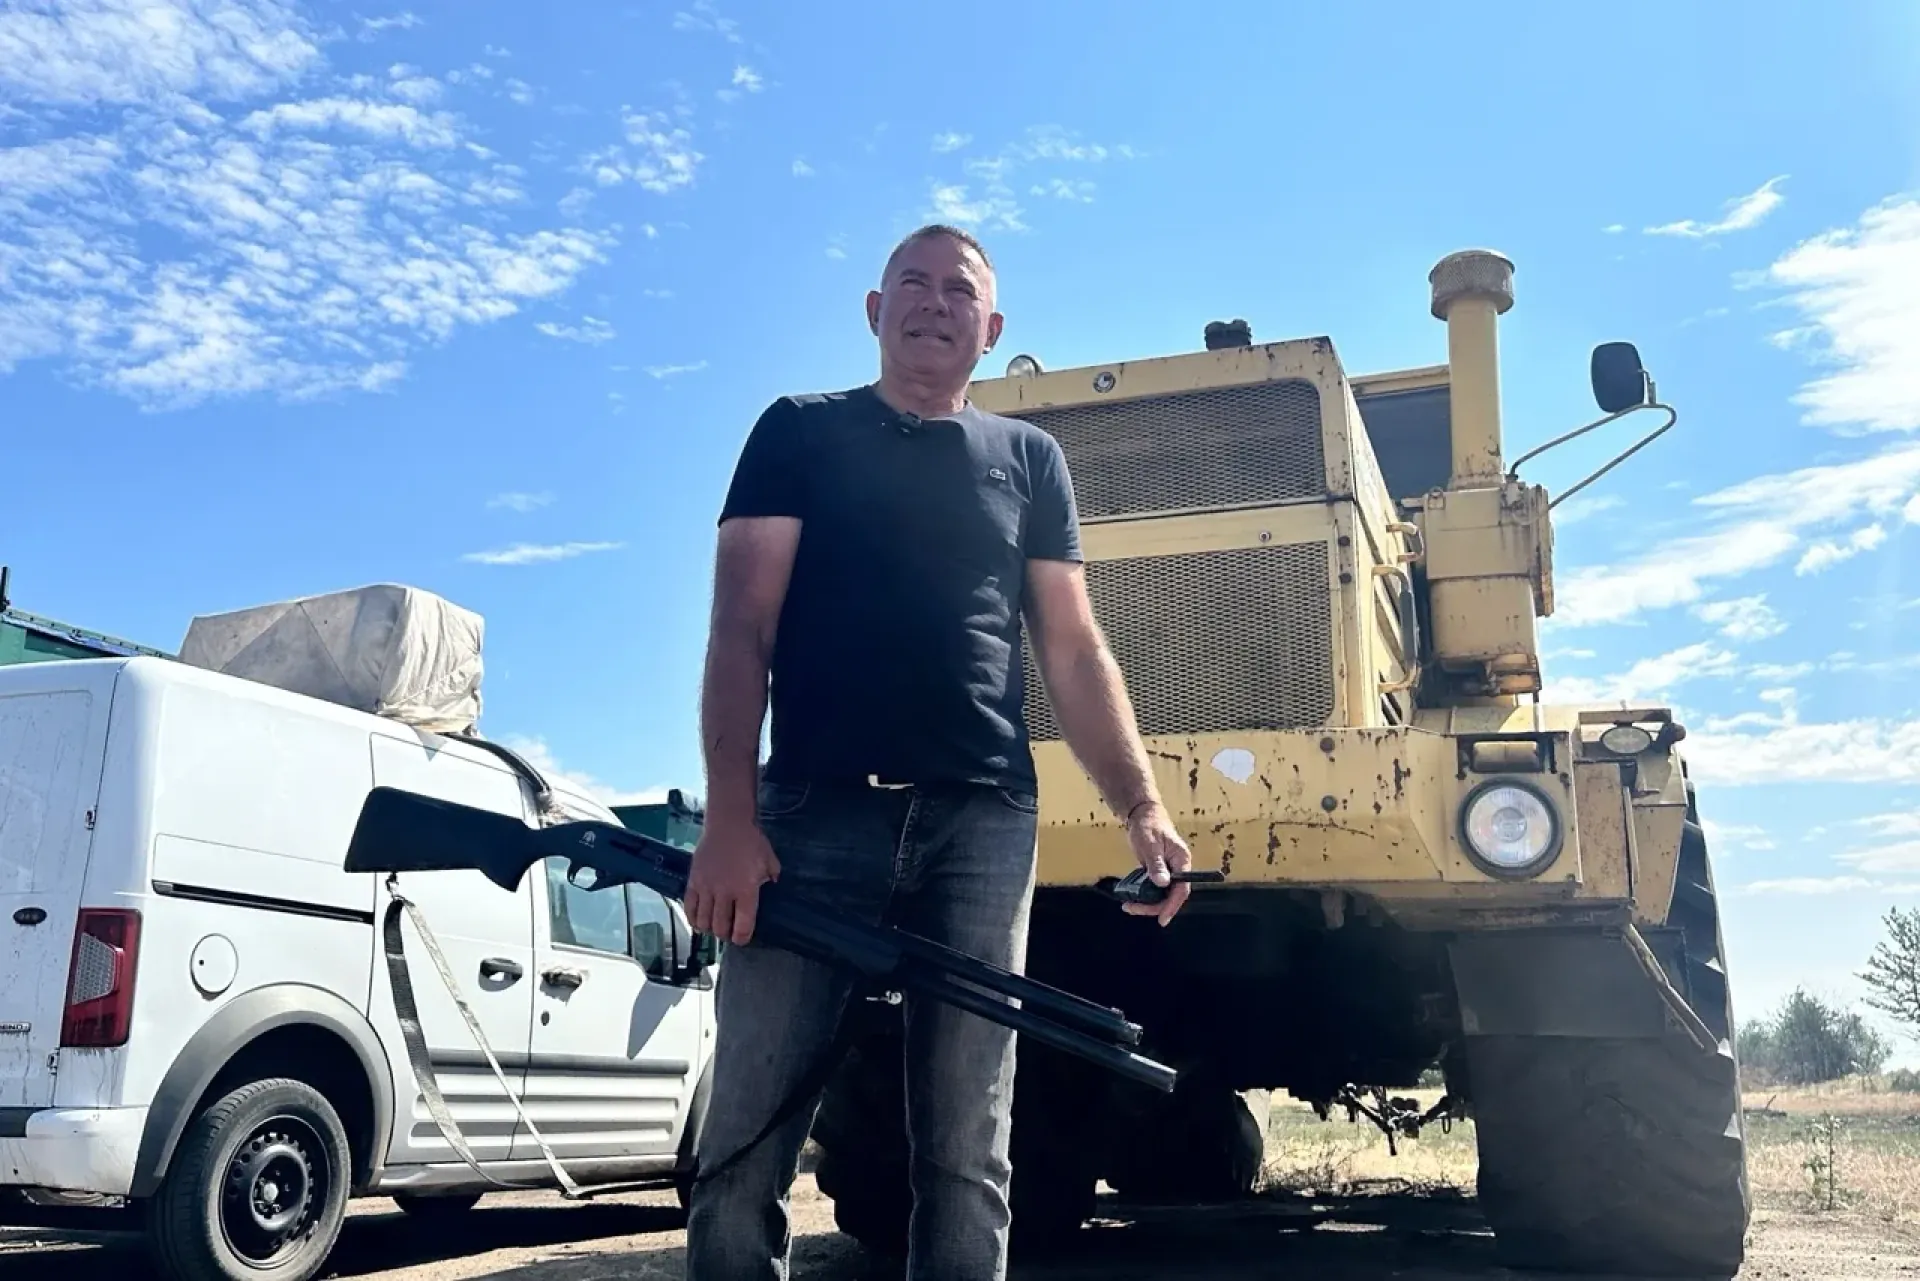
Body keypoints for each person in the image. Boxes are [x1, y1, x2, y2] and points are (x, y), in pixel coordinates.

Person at [681, 223, 1193, 1281]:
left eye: (957, 290)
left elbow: (1070, 641)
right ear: (874, 311)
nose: (932, 302)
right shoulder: (798, 432)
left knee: (969, 1149)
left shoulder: (1030, 459)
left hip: (983, 821)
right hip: (811, 814)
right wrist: (730, 820)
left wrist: (1141, 804)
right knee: (745, 1136)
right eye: (910, 284)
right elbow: (740, 627)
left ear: (991, 327)